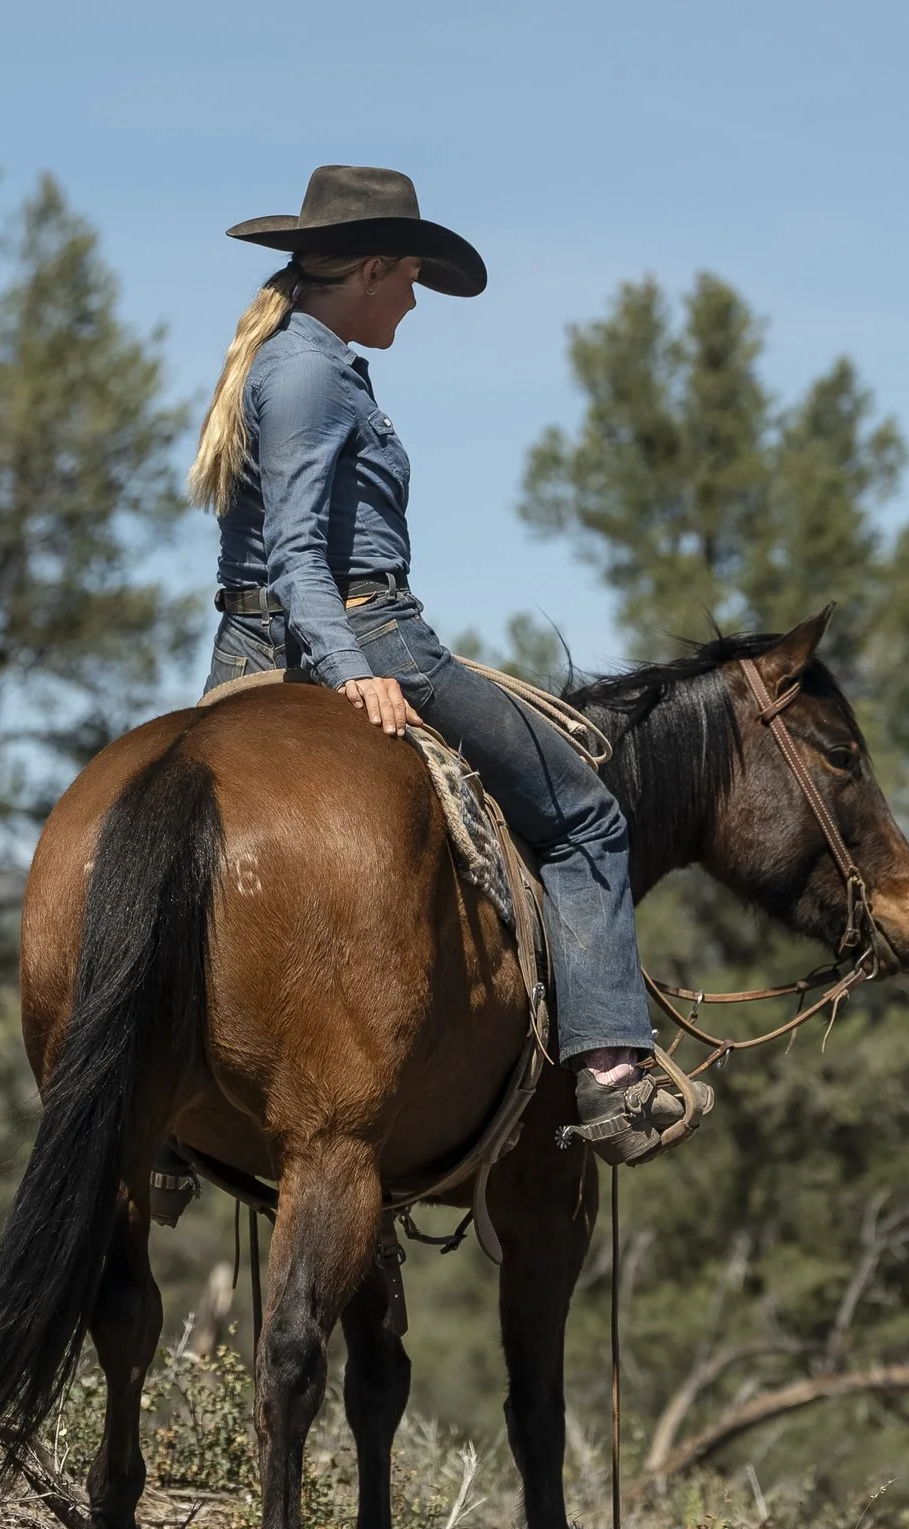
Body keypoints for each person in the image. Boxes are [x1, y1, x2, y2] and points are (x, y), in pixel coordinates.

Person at [188, 165, 706, 1164]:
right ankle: (611, 1076)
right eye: (410, 278)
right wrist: (352, 670)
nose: (416, 300)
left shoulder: (293, 357)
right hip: (364, 633)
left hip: (242, 653)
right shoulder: (309, 371)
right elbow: (301, 555)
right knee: (587, 814)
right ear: (373, 266)